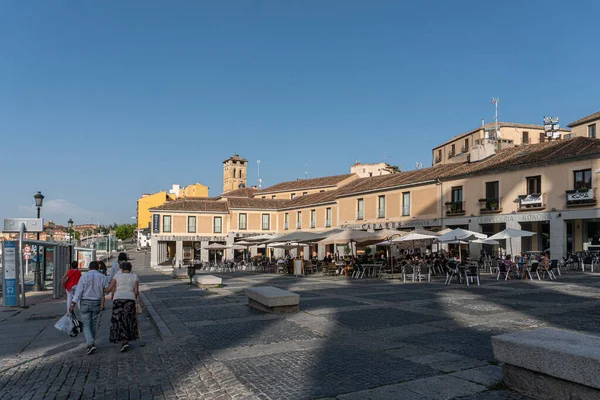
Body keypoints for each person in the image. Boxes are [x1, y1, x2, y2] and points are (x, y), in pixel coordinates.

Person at [69, 261, 109, 355]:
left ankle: (90, 343)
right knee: (93, 324)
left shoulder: (84, 277)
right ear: (98, 268)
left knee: (86, 324)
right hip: (96, 302)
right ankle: (91, 343)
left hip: (85, 302)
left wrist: (72, 305)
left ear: (89, 268)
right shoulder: (102, 277)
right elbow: (106, 289)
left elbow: (78, 292)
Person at [105, 261, 139, 352]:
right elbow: (136, 291)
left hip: (118, 299)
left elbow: (110, 288)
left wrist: (102, 289)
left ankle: (123, 340)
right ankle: (126, 339)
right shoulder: (134, 276)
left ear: (122, 269)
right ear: (130, 268)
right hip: (130, 299)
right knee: (128, 319)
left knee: (118, 319)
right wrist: (135, 299)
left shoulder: (117, 276)